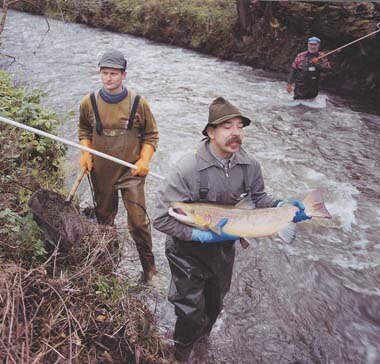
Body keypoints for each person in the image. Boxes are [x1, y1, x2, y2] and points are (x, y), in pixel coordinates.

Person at [152, 97, 310, 362]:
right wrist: (198, 234)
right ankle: (179, 356)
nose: (235, 132)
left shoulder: (250, 165)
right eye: (226, 126)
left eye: (239, 126)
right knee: (190, 310)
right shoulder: (187, 168)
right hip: (187, 251)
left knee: (214, 306)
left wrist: (283, 206)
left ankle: (201, 346)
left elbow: (260, 199)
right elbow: (160, 218)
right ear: (210, 133)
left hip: (224, 250)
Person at [78, 49, 159, 282]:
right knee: (105, 219)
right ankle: (107, 264)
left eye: (114, 73)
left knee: (138, 222)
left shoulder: (138, 103)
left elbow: (151, 136)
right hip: (101, 172)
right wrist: (85, 153)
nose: (108, 78)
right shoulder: (88, 102)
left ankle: (150, 270)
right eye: (104, 73)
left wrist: (144, 160)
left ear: (124, 75)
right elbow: (84, 129)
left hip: (131, 171)